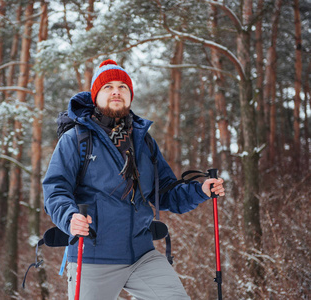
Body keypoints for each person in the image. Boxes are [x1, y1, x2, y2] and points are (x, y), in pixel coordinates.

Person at [43, 59, 225, 300]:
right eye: (108, 87)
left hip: (142, 256)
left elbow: (165, 192)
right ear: (95, 96)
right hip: (93, 258)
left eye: (123, 87)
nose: (116, 91)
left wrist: (200, 190)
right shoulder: (76, 139)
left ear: (130, 97)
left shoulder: (143, 142)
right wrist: (70, 218)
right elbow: (55, 190)